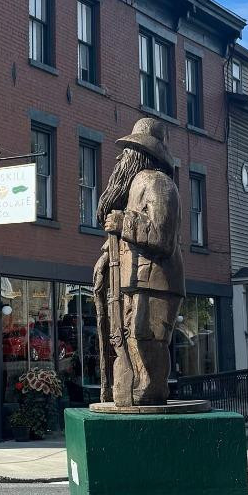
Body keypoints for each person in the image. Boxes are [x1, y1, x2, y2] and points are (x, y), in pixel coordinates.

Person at [92, 117, 186, 407]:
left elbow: (162, 235)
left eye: (130, 150)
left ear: (142, 154)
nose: (122, 157)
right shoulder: (133, 187)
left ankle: (147, 395)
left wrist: (124, 221)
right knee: (128, 340)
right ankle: (130, 393)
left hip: (155, 281)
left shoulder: (158, 183)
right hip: (132, 281)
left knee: (145, 340)